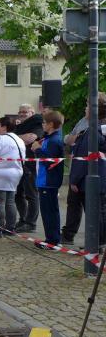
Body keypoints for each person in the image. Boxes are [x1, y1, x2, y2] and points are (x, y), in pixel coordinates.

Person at [68, 93, 106, 247]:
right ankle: (99, 243)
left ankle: (95, 244)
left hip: (90, 178)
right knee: (100, 211)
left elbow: (83, 157)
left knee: (95, 212)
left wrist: (74, 180)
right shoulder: (100, 129)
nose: (85, 109)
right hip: (100, 178)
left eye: (87, 106)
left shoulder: (93, 131)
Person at [31, 111, 65, 248]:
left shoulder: (54, 141)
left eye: (44, 123)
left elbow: (49, 160)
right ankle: (52, 239)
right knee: (48, 211)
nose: (42, 125)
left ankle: (52, 241)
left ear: (51, 124)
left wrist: (37, 149)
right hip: (45, 180)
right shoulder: (49, 139)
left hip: (48, 181)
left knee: (49, 212)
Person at [61, 104, 94, 244]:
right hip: (76, 168)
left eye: (87, 105)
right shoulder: (82, 121)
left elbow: (77, 142)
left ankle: (94, 241)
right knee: (73, 204)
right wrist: (72, 138)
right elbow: (69, 139)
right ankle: (68, 235)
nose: (85, 108)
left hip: (89, 172)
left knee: (92, 208)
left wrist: (74, 138)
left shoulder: (98, 124)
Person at [14, 104, 43, 233]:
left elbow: (31, 138)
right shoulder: (20, 126)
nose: (22, 113)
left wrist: (14, 137)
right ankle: (24, 219)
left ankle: (31, 223)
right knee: (18, 194)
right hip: (19, 163)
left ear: (32, 113)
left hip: (31, 164)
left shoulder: (37, 123)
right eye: (20, 111)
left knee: (31, 194)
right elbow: (23, 139)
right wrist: (19, 137)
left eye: (25, 111)